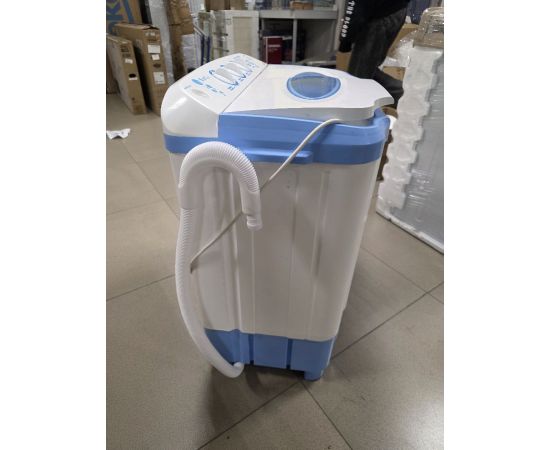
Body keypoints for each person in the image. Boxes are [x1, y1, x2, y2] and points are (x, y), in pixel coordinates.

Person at [338, 0, 410, 105]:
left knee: (359, 77)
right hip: (394, 9)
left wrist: (345, 42)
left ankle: (406, 98)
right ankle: (403, 95)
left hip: (380, 17)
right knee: (367, 70)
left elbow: (356, 5)